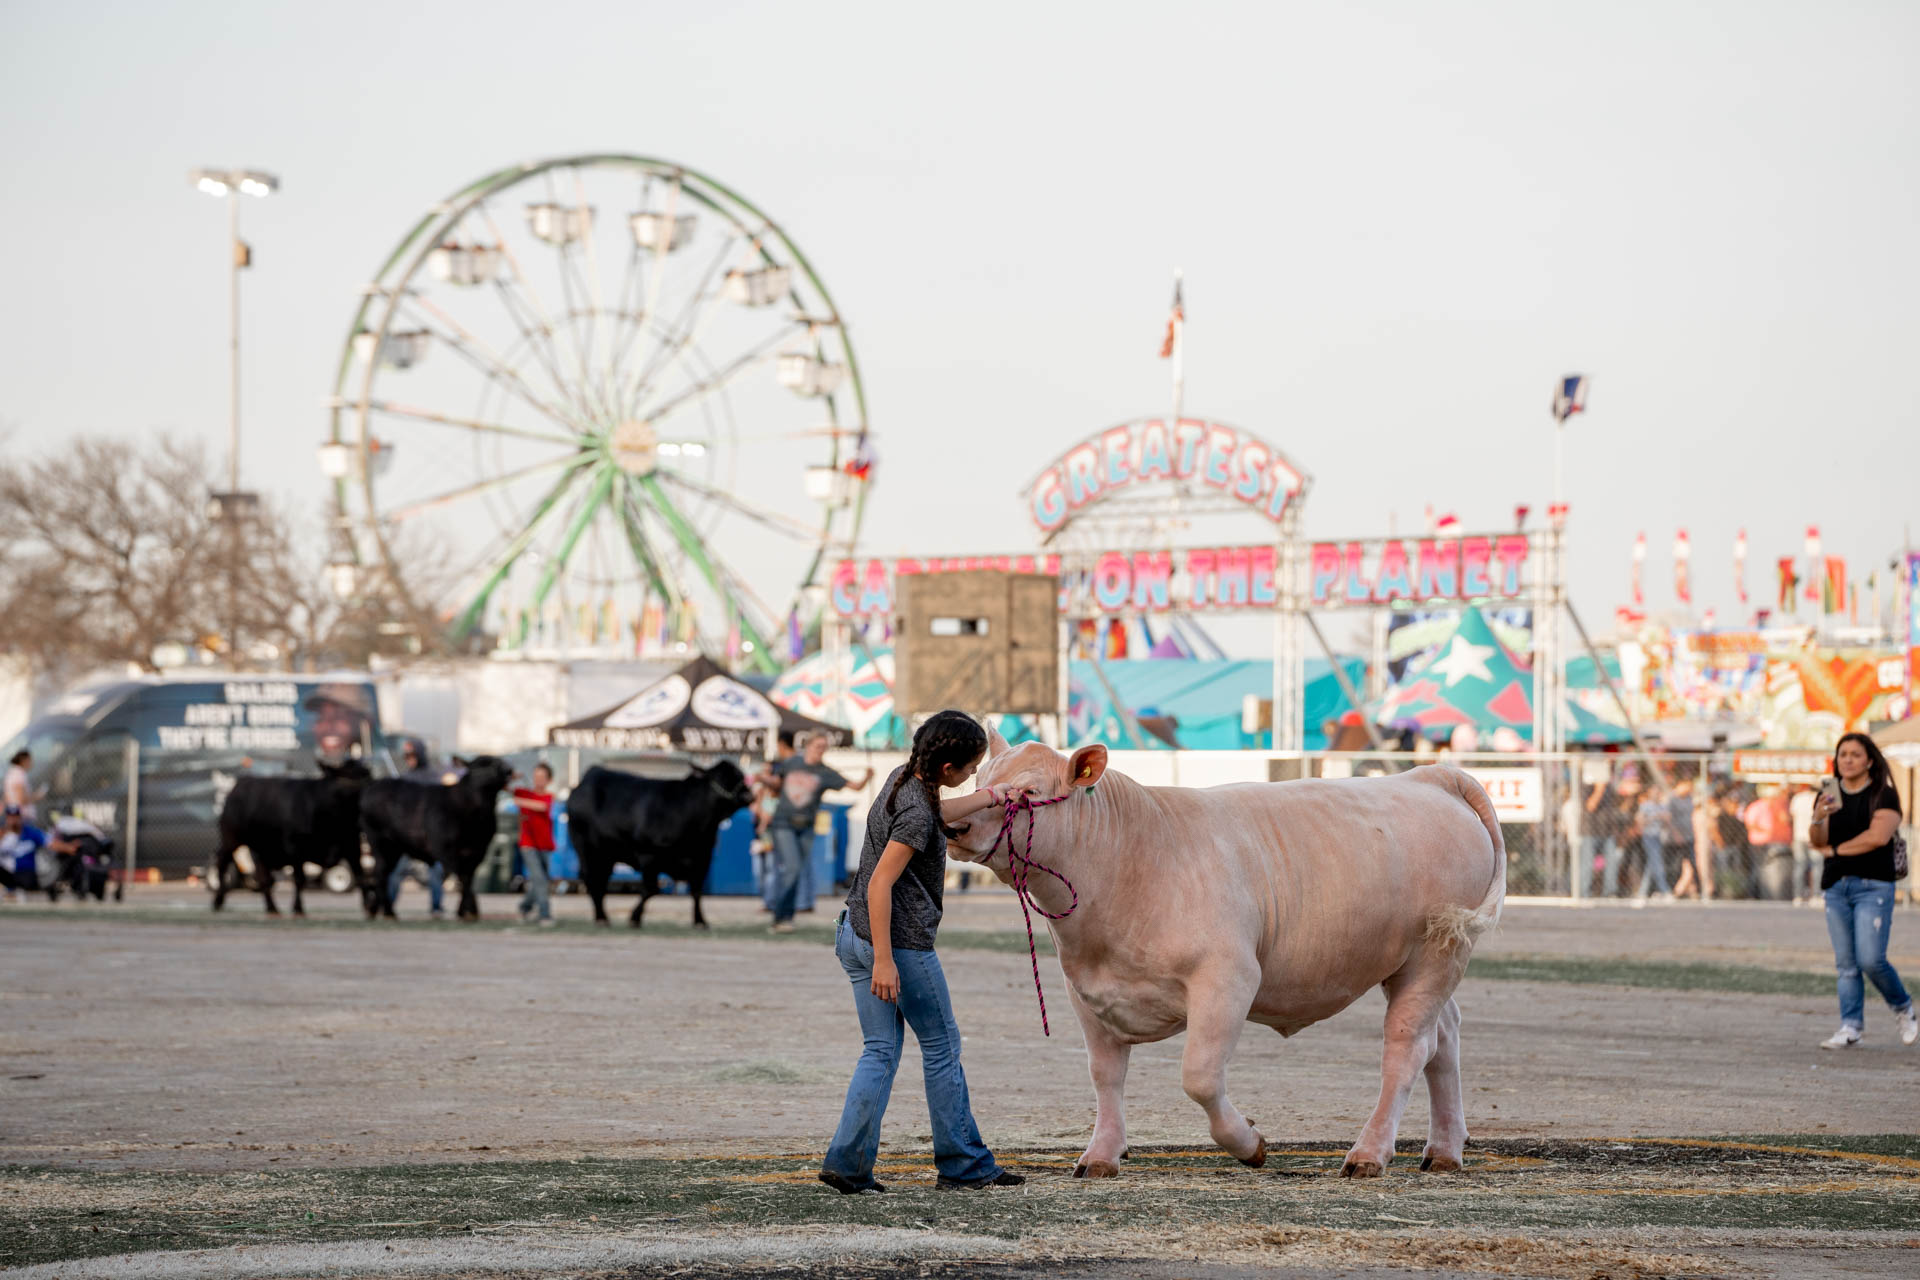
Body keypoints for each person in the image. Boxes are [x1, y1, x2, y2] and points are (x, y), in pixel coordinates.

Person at [820, 709, 1023, 1195]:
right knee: (942, 1046)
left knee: (880, 1050)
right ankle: (964, 1165)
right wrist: (887, 960)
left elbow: (936, 813)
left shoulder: (904, 778)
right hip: (895, 943)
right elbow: (880, 884)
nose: (975, 773)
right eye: (972, 767)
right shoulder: (915, 811)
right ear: (947, 769)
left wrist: (992, 797)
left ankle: (847, 1164)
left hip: (852, 934)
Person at [1809, 733, 1916, 1050]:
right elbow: (1817, 842)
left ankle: (1903, 1007)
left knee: (1871, 959)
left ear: (1869, 760)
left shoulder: (1883, 795)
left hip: (1873, 885)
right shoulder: (1829, 792)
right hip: (1837, 886)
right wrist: (1818, 818)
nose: (1848, 760)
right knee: (1846, 963)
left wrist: (1836, 850)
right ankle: (1850, 1026)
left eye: (1855, 754)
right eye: (1843, 754)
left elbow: (1877, 838)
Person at [768, 734, 872, 934]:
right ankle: (781, 916)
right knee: (793, 868)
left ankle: (785, 917)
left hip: (806, 826)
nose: (821, 749)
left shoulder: (825, 773)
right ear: (807, 746)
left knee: (795, 871)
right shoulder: (791, 763)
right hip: (783, 824)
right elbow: (776, 784)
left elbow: (856, 787)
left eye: (824, 746)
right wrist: (763, 779)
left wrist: (867, 776)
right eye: (818, 745)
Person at [387, 738, 448, 918]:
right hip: (408, 835)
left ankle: (436, 907)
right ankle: (388, 904)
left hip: (429, 835)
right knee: (396, 870)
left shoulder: (433, 778)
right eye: (406, 755)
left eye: (412, 754)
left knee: (436, 872)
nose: (409, 758)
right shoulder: (406, 779)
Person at [753, 732, 799, 913]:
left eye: (767, 771)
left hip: (772, 835)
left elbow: (770, 814)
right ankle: (768, 900)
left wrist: (764, 822)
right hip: (762, 836)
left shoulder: (778, 793)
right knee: (761, 872)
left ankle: (771, 902)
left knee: (773, 870)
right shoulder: (763, 792)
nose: (764, 774)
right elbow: (756, 810)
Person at [513, 762, 558, 927]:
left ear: (549, 780)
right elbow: (506, 789)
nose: (538, 780)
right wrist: (513, 776)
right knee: (539, 879)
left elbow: (542, 806)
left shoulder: (548, 796)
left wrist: (520, 802)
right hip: (527, 843)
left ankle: (524, 906)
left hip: (545, 844)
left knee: (542, 880)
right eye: (536, 776)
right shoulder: (524, 793)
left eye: (542, 777)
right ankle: (545, 914)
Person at [1744, 785, 1793, 900]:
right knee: (1758, 869)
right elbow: (1750, 824)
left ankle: (1769, 893)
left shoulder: (1773, 805)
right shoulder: (1756, 806)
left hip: (1772, 841)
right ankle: (1754, 893)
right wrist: (1765, 830)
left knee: (1769, 869)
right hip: (1759, 842)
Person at [0, 805, 50, 901]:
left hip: (26, 874)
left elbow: (50, 842)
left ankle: (18, 892)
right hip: (8, 875)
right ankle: (11, 891)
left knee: (26, 880)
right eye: (10, 817)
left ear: (20, 818)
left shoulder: (30, 832)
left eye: (15, 817)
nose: (13, 820)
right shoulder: (3, 834)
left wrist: (69, 847)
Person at [1633, 784, 1673, 902]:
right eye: (1653, 791)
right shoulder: (1645, 806)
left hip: (1659, 837)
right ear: (1649, 792)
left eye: (1658, 792)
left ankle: (1642, 893)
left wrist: (1665, 819)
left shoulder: (1663, 806)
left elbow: (1667, 824)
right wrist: (1655, 817)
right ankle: (1665, 891)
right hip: (1649, 837)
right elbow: (1640, 822)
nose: (1656, 794)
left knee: (1651, 866)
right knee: (1657, 864)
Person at [1789, 784, 1818, 905]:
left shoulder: (1797, 798)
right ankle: (1816, 895)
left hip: (1799, 835)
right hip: (1815, 836)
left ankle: (1798, 895)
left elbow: (1792, 815)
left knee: (1800, 866)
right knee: (1817, 866)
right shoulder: (1817, 798)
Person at [5, 750, 39, 824]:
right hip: (23, 816)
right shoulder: (20, 774)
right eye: (30, 760)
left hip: (14, 814)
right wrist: (37, 796)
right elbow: (21, 800)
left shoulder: (11, 773)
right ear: (25, 760)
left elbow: (7, 797)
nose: (32, 763)